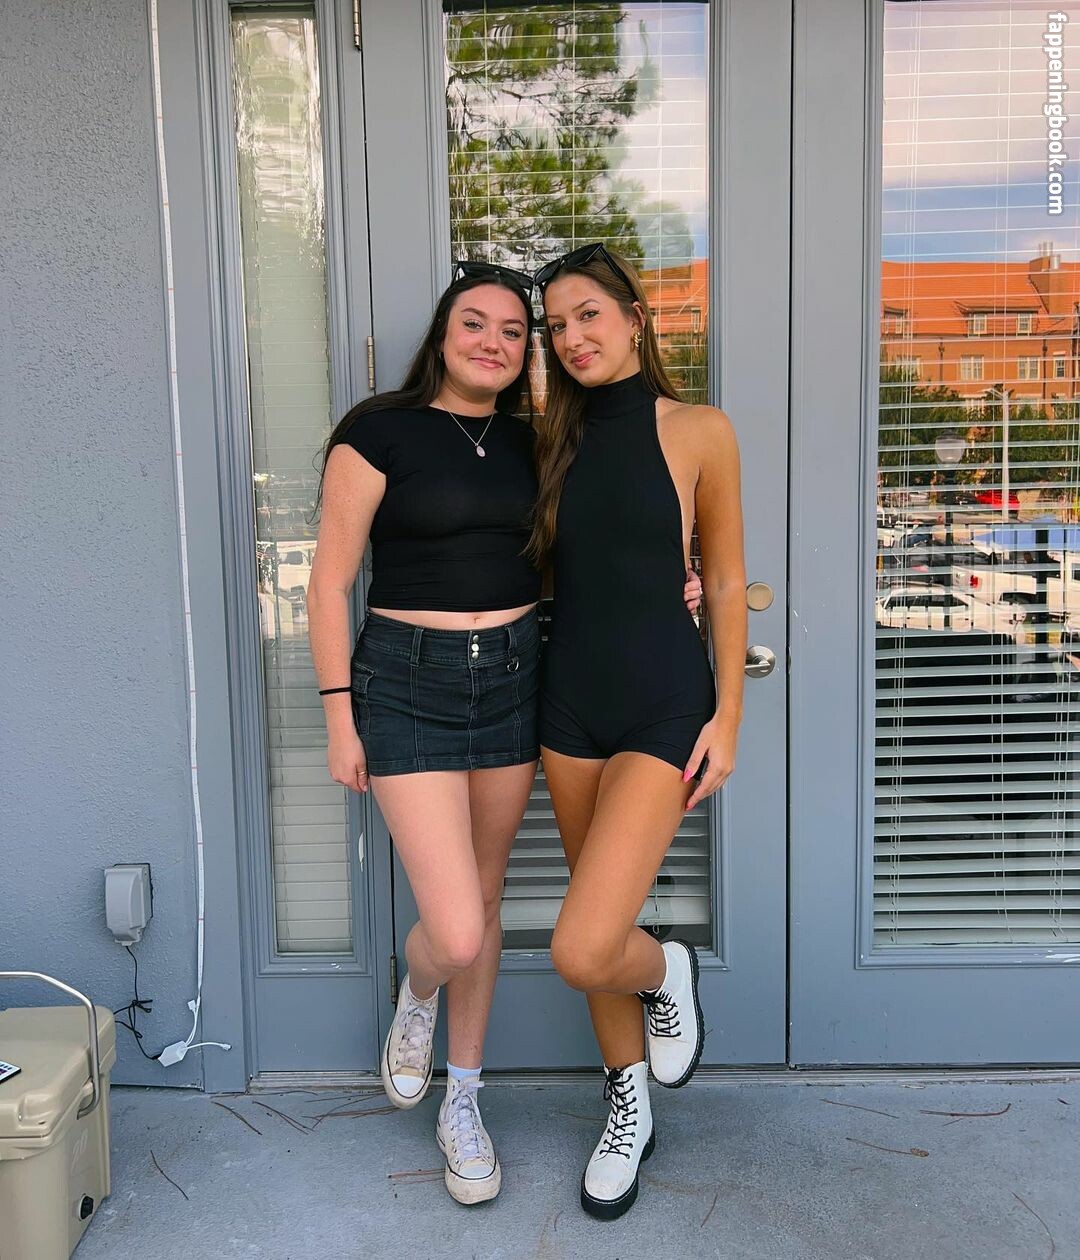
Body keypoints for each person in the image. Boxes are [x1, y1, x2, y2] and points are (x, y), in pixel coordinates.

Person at [308, 260, 707, 1206]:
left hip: (517, 681)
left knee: (484, 904)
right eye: (474, 323)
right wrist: (338, 715)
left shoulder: (542, 442)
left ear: (529, 353)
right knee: (451, 930)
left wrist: (671, 584)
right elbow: (328, 581)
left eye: (513, 331)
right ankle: (418, 994)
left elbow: (588, 552)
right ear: (442, 335)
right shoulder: (378, 430)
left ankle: (464, 1101)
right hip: (408, 683)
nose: (494, 341)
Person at [530, 242, 746, 1220]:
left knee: (585, 947)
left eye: (588, 314)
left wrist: (728, 717)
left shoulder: (700, 429)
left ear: (634, 317)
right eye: (556, 325)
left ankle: (671, 969)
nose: (573, 337)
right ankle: (628, 1105)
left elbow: (728, 580)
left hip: (663, 701)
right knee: (598, 917)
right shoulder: (546, 440)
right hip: (568, 704)